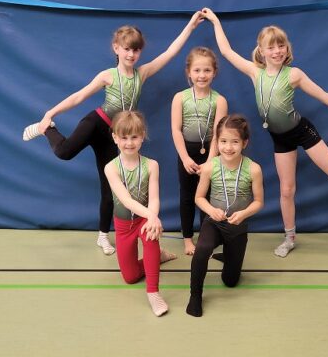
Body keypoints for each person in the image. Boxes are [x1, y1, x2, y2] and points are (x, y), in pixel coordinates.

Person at [202, 7, 328, 258]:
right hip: (279, 137)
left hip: (301, 130)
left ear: (287, 48)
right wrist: (215, 21)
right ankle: (289, 238)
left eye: (281, 46)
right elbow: (226, 51)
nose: (277, 51)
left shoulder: (293, 74)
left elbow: (324, 96)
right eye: (271, 47)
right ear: (261, 50)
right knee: (286, 190)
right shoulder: (255, 72)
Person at [23, 13, 203, 255]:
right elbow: (79, 96)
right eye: (127, 49)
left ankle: (102, 237)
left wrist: (190, 26)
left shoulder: (142, 74)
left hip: (115, 137)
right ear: (116, 48)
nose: (131, 54)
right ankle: (46, 128)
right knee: (64, 152)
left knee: (111, 190)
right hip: (97, 123)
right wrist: (50, 113)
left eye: (136, 50)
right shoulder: (107, 75)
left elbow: (170, 52)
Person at [186, 114, 264, 317]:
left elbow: (259, 202)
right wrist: (211, 210)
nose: (228, 147)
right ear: (217, 142)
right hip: (214, 222)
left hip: (237, 226)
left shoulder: (253, 169)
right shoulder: (210, 166)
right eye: (223, 141)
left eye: (235, 142)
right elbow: (199, 198)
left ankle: (228, 255)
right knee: (202, 249)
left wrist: (244, 213)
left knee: (230, 281)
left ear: (244, 143)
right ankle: (195, 295)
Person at [104, 110, 176, 317]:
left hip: (144, 219)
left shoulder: (151, 165)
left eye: (134, 137)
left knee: (151, 235)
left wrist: (151, 217)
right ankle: (159, 256)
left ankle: (153, 293)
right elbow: (126, 200)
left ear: (142, 136)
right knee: (130, 277)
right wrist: (153, 216)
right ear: (115, 138)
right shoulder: (111, 168)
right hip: (123, 225)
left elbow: (154, 199)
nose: (129, 143)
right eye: (124, 137)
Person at [171, 46, 228, 256]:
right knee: (187, 196)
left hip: (211, 153)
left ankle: (206, 238)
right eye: (197, 70)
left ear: (214, 72)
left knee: (207, 196)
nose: (201, 75)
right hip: (187, 152)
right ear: (189, 72)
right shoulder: (180, 97)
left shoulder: (219, 100)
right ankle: (188, 239)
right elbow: (176, 130)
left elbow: (218, 134)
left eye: (207, 70)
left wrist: (211, 161)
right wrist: (185, 157)